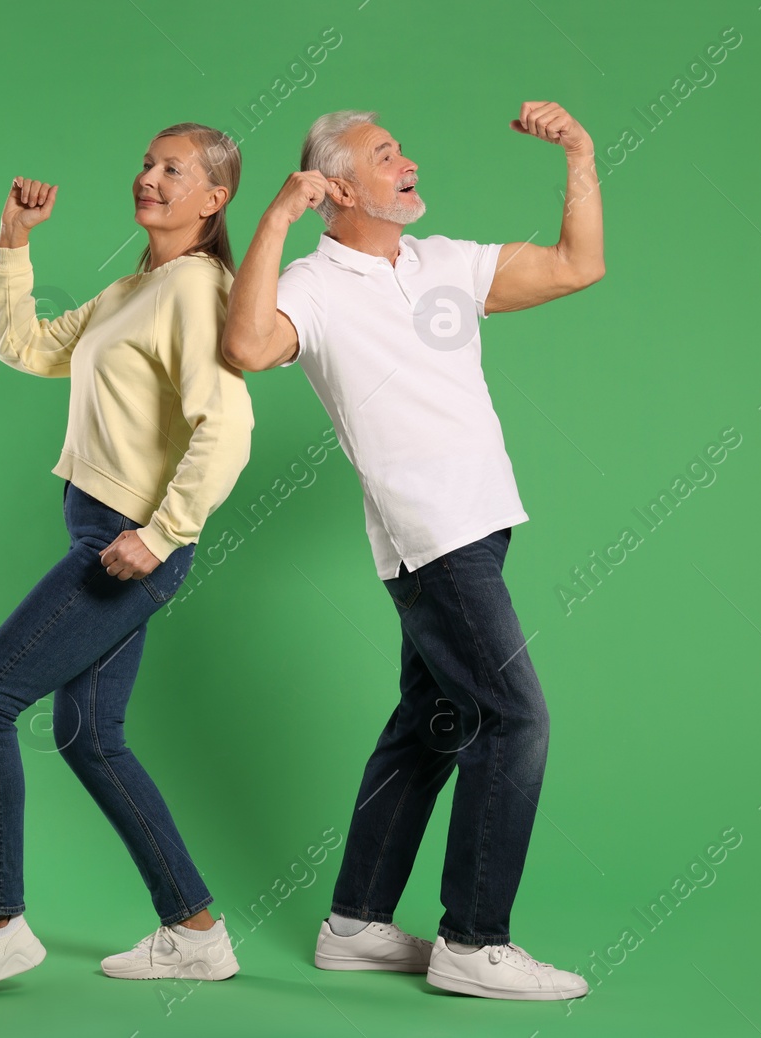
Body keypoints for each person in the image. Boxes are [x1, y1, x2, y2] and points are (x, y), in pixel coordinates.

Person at [220, 105, 605, 1001]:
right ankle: (474, 942)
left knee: (433, 724)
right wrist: (276, 218)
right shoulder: (312, 284)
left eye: (403, 147)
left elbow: (578, 264)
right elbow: (243, 346)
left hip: (484, 521)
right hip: (432, 535)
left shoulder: (445, 263)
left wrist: (579, 154)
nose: (411, 161)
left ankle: (354, 925)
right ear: (339, 189)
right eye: (389, 155)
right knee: (513, 722)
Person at [0, 123, 253, 1001]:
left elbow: (230, 424)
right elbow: (25, 348)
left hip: (127, 543)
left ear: (213, 199)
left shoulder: (197, 288)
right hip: (101, 530)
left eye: (172, 170)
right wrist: (13, 247)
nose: (148, 176)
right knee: (88, 736)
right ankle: (195, 931)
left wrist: (166, 531)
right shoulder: (136, 286)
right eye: (146, 162)